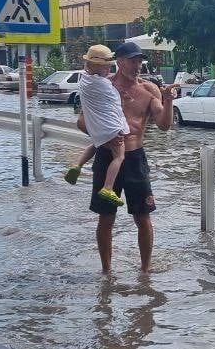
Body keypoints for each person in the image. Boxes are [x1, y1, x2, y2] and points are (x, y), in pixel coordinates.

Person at [77, 41, 176, 274]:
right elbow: (82, 122)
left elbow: (164, 125)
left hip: (135, 159)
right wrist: (104, 136)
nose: (137, 65)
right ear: (118, 62)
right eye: (132, 60)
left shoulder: (149, 89)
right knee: (106, 217)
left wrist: (168, 99)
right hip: (106, 155)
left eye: (140, 60)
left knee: (143, 217)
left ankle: (145, 271)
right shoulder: (103, 87)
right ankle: (107, 272)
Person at [63, 45, 128, 209]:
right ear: (100, 68)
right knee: (119, 156)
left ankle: (77, 165)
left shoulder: (84, 80)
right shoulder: (104, 85)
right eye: (107, 67)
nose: (109, 70)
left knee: (97, 143)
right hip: (110, 128)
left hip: (97, 129)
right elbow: (114, 99)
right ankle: (107, 188)